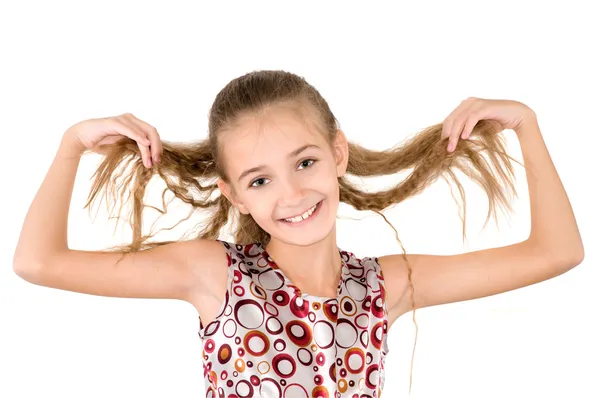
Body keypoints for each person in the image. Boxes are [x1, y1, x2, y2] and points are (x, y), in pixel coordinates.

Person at [12, 70, 584, 397]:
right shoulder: (214, 274)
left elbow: (557, 253)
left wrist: (525, 125)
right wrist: (71, 145)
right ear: (234, 195)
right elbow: (38, 262)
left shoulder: (387, 285)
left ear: (338, 153)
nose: (290, 195)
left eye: (305, 162)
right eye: (259, 179)